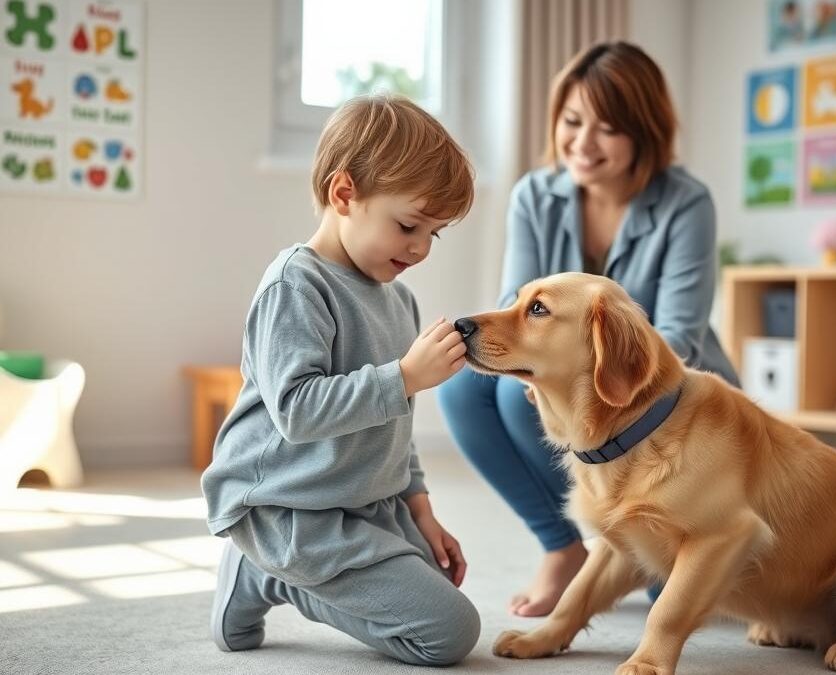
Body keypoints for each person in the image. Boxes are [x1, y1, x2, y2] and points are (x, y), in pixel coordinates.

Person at [438, 41, 739, 618]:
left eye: (608, 128)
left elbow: (679, 334)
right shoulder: (535, 195)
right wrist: (534, 367)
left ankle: (639, 543)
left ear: (644, 132)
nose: (582, 142)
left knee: (671, 589)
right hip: (575, 383)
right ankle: (564, 547)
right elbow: (514, 304)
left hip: (666, 393)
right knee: (463, 386)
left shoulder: (686, 203)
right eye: (573, 121)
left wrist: (580, 375)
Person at [201, 95, 480, 665]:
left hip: (364, 500)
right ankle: (268, 571)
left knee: (438, 592)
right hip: (291, 506)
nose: (421, 248)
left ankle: (273, 572)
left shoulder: (399, 300)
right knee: (450, 633)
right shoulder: (295, 286)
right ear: (344, 193)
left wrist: (420, 509)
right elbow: (297, 411)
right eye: (409, 225)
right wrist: (405, 376)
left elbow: (395, 425)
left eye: (434, 234)